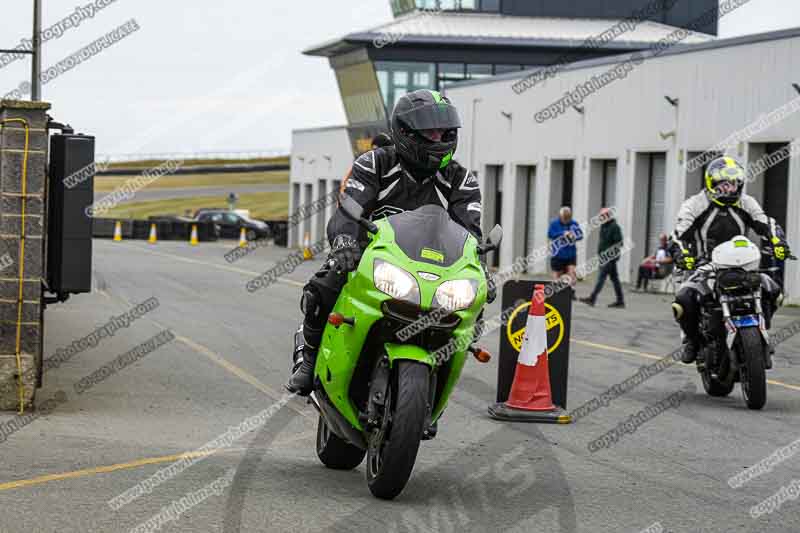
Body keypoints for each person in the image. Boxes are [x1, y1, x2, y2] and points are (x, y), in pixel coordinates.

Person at [287, 89, 494, 396]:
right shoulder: (374, 163)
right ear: (405, 132)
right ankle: (309, 358)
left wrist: (481, 269)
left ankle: (436, 382)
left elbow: (471, 234)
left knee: (471, 311)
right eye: (430, 133)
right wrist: (344, 241)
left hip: (434, 269)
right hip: (369, 257)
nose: (438, 140)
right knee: (323, 287)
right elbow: (349, 207)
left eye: (444, 132)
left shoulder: (461, 180)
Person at [670, 156, 789, 367]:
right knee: (683, 302)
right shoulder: (694, 204)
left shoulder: (747, 202)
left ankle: (762, 331)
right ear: (711, 183)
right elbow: (678, 234)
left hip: (742, 264)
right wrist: (683, 256)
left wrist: (778, 241)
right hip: (704, 266)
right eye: (724, 183)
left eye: (733, 183)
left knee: (774, 291)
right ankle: (692, 341)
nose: (729, 188)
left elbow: (766, 222)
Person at [579, 207, 625, 308]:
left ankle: (592, 298)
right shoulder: (604, 226)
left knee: (601, 278)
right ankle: (620, 301)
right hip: (603, 256)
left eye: (603, 216)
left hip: (609, 257)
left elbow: (620, 242)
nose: (600, 218)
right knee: (615, 279)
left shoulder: (614, 227)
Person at [547, 206, 583, 297]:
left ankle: (572, 292)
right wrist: (562, 233)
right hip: (558, 254)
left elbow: (580, 236)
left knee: (572, 273)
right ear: (560, 216)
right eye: (564, 218)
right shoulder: (554, 224)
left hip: (570, 254)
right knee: (557, 275)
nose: (566, 220)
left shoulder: (574, 224)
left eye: (568, 218)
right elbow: (550, 234)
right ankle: (556, 292)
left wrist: (574, 235)